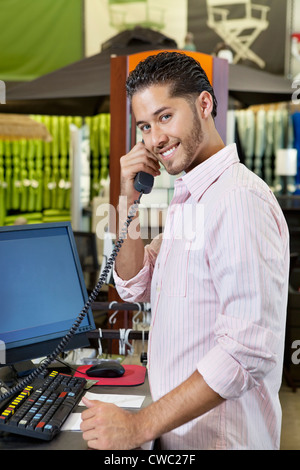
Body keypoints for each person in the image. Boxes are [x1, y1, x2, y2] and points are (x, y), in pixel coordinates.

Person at [80, 52, 289, 450]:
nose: (155, 139)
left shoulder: (237, 200)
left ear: (204, 104)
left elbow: (245, 352)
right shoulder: (192, 199)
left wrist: (140, 426)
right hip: (178, 438)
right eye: (144, 125)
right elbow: (132, 283)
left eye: (165, 116)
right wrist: (128, 198)